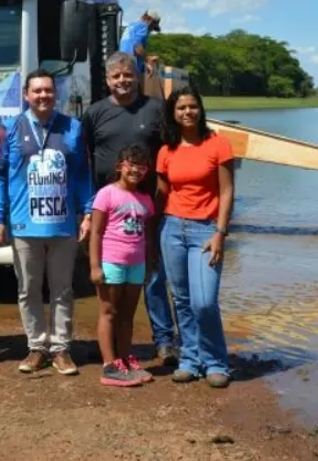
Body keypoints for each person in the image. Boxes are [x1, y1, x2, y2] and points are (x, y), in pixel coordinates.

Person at [0, 69, 94, 376]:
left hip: (63, 226)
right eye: (37, 91)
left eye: (48, 90)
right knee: (28, 288)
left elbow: (84, 173)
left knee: (63, 289)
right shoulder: (8, 129)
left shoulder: (72, 127)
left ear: (55, 93)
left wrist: (87, 212)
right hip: (24, 224)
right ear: (26, 95)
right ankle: (36, 347)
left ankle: (61, 348)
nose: (43, 95)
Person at [81, 51, 179, 367]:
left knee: (151, 274)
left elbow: (170, 154)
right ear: (108, 80)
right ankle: (113, 352)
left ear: (136, 76)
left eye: (127, 74)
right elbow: (84, 161)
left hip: (148, 207)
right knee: (110, 285)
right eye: (115, 76)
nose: (122, 80)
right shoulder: (95, 113)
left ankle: (164, 341)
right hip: (107, 211)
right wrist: (86, 209)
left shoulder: (154, 110)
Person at [156, 85, 236, 388]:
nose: (187, 112)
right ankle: (190, 358)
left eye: (192, 106)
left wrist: (220, 232)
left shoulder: (218, 144)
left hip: (206, 229)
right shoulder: (167, 150)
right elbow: (162, 193)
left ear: (200, 109)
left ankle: (216, 362)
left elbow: (227, 191)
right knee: (182, 300)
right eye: (180, 108)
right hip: (172, 229)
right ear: (173, 114)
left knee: (204, 301)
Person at [89, 144, 157, 387]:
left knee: (127, 315)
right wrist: (95, 266)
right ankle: (109, 364)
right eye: (131, 164)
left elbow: (147, 236)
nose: (136, 169)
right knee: (109, 312)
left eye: (141, 166)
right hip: (111, 262)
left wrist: (149, 265)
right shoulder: (106, 194)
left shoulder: (146, 199)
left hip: (136, 264)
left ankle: (125, 358)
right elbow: (95, 232)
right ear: (120, 166)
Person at [118, 10, 162, 81]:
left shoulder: (132, 26)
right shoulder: (143, 26)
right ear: (150, 22)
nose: (151, 31)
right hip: (131, 65)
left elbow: (130, 45)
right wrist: (148, 59)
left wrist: (145, 63)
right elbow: (137, 47)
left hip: (122, 62)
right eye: (152, 28)